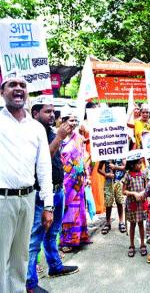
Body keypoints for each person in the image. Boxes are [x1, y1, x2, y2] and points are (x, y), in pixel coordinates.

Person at [0, 77, 53, 293]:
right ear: (2, 92)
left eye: (23, 85)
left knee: (20, 259)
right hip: (2, 201)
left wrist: (48, 205)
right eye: (13, 85)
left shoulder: (36, 128)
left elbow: (43, 168)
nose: (19, 89)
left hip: (28, 199)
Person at [27, 96, 78, 293]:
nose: (52, 115)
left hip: (58, 190)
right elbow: (40, 161)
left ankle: (55, 266)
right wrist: (59, 138)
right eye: (47, 111)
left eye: (52, 111)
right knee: (34, 240)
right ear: (35, 113)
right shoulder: (32, 133)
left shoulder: (49, 131)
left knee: (53, 234)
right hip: (42, 194)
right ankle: (29, 283)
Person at [59, 107, 91, 252]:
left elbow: (83, 157)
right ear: (63, 121)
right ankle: (67, 240)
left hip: (78, 181)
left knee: (79, 209)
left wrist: (87, 175)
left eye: (74, 120)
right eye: (70, 120)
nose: (73, 123)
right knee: (67, 211)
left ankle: (80, 237)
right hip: (65, 180)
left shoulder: (78, 138)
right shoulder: (57, 137)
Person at [121, 150, 147, 258]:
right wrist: (133, 193)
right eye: (139, 163)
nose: (141, 165)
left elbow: (147, 188)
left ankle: (142, 244)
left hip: (141, 204)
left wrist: (143, 193)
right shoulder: (127, 175)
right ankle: (131, 244)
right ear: (132, 164)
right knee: (132, 224)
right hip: (131, 203)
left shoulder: (143, 174)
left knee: (141, 224)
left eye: (141, 162)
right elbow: (123, 191)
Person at [98, 158, 126, 235]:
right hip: (108, 181)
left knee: (119, 201)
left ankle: (121, 222)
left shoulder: (121, 153)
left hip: (119, 181)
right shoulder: (104, 155)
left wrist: (115, 167)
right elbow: (99, 169)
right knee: (108, 202)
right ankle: (107, 223)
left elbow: (125, 167)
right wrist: (106, 174)